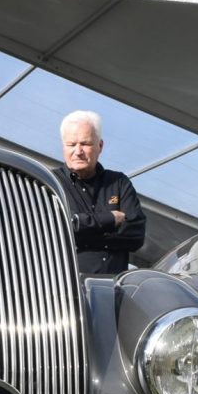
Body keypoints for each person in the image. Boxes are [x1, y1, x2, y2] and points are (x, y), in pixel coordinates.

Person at [55, 110, 146, 274]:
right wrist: (110, 219)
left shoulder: (119, 183)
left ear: (100, 146)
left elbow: (136, 236)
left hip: (111, 292)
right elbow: (55, 230)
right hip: (65, 290)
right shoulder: (52, 183)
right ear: (64, 147)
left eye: (85, 144)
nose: (78, 151)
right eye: (71, 144)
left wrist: (81, 231)